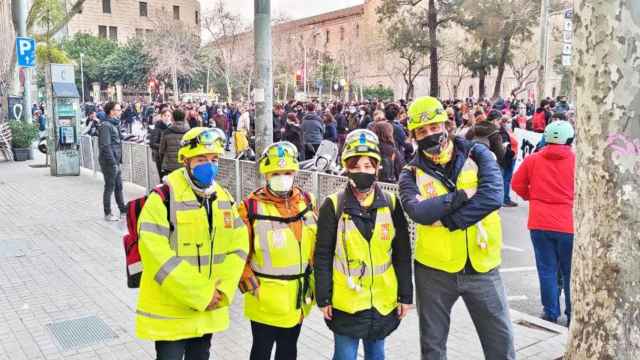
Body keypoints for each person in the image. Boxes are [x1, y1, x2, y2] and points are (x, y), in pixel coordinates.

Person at [399, 96, 515, 360]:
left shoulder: (478, 153)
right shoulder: (409, 173)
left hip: (482, 267)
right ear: (414, 135)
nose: (430, 134)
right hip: (435, 271)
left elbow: (492, 197)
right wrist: (463, 196)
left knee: (500, 344)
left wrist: (448, 220)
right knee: (433, 347)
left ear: (446, 125)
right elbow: (419, 212)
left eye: (434, 127)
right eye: (422, 131)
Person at [135, 127, 249, 360]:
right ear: (185, 160)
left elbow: (239, 247)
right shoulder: (163, 198)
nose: (209, 165)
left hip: (207, 311)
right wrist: (201, 294)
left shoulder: (223, 198)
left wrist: (222, 291)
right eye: (201, 159)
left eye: (214, 159)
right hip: (171, 315)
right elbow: (156, 255)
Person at [315, 129, 412, 360]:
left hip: (382, 301)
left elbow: (402, 254)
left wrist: (406, 295)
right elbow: (322, 254)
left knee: (376, 355)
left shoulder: (391, 203)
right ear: (347, 168)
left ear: (377, 167)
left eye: (368, 166)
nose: (363, 172)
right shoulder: (333, 205)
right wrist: (323, 297)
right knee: (345, 355)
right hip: (346, 301)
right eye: (356, 166)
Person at [237, 142, 317, 360]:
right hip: (264, 298)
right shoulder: (250, 207)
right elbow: (238, 252)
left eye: (288, 172)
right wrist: (247, 282)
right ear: (266, 174)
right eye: (276, 173)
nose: (283, 177)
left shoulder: (307, 202)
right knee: (262, 350)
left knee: (289, 350)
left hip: (296, 297)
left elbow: (314, 246)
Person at [511, 121, 575, 325]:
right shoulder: (577, 160)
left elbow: (516, 184)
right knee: (570, 272)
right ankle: (573, 313)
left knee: (546, 269)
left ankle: (550, 312)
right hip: (569, 223)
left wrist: (533, 197)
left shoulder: (533, 159)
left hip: (539, 222)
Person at [98, 101, 126, 222]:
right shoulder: (106, 125)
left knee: (119, 186)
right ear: (111, 111)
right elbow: (106, 146)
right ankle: (108, 213)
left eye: (120, 110)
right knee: (110, 186)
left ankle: (123, 210)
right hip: (109, 161)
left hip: (116, 160)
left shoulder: (115, 124)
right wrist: (113, 163)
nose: (120, 112)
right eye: (118, 110)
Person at [158, 110, 191, 179]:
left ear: (173, 118)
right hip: (184, 166)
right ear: (184, 118)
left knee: (171, 187)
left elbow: (161, 150)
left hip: (169, 167)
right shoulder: (189, 132)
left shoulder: (167, 132)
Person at [498, 115, 519, 207]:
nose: (510, 124)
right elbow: (505, 146)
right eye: (508, 122)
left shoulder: (509, 131)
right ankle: (504, 199)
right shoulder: (503, 132)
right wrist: (512, 154)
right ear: (504, 122)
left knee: (506, 179)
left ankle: (505, 198)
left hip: (511, 158)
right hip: (508, 159)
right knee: (506, 179)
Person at [150, 109, 172, 179]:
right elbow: (152, 143)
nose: (167, 118)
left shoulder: (171, 127)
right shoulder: (157, 128)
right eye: (165, 116)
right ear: (161, 117)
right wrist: (164, 146)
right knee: (163, 178)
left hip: (170, 157)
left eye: (168, 116)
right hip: (160, 157)